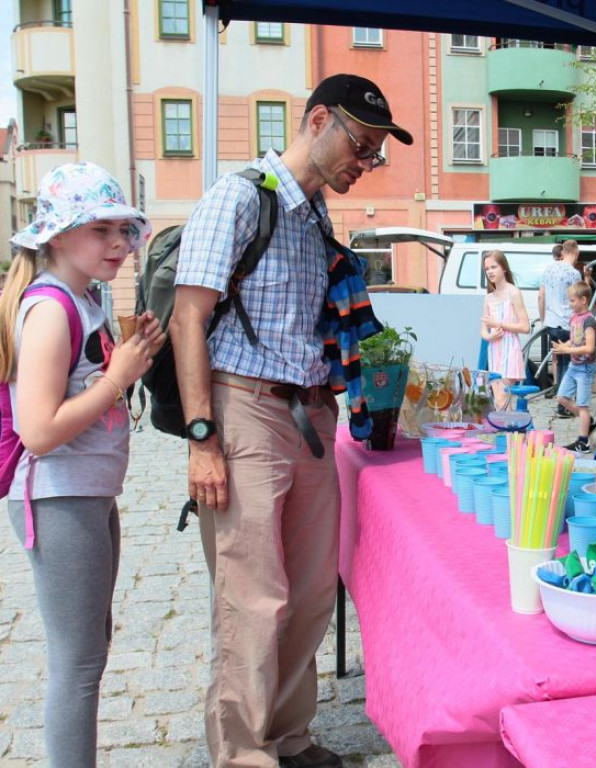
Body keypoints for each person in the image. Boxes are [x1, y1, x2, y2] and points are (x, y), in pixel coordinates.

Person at [169, 73, 412, 768]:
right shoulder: (240, 197)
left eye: (371, 154)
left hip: (310, 415)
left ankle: (289, 737)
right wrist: (202, 439)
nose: (362, 163)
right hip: (242, 407)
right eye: (359, 146)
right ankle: (244, 753)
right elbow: (190, 317)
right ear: (315, 122)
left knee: (308, 594)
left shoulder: (312, 214)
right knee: (253, 598)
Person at [1, 162, 164, 766]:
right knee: (79, 661)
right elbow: (38, 430)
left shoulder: (83, 299)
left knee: (89, 649)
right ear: (59, 235)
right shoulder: (50, 309)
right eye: (103, 231)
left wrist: (127, 361)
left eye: (124, 230)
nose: (120, 244)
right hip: (58, 495)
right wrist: (119, 376)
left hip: (85, 494)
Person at [554, 280, 596, 453]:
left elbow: (589, 347)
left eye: (572, 301)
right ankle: (590, 422)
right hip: (574, 365)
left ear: (583, 300)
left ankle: (583, 442)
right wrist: (563, 346)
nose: (570, 304)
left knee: (582, 405)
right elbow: (575, 339)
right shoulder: (574, 318)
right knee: (562, 398)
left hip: (586, 368)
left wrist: (568, 349)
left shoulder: (589, 320)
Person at [481, 249, 530, 408]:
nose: (490, 272)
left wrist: (499, 324)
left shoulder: (514, 293)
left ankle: (511, 431)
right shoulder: (488, 298)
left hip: (510, 350)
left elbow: (525, 327)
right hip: (494, 351)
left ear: (504, 268)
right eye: (487, 269)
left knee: (502, 398)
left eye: (493, 267)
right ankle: (510, 432)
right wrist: (491, 336)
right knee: (500, 401)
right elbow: (483, 331)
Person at [538, 239, 582, 412]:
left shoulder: (548, 268)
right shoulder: (574, 274)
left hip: (551, 323)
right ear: (576, 253)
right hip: (567, 323)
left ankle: (562, 402)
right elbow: (578, 302)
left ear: (563, 251)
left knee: (560, 361)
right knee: (569, 363)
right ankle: (563, 404)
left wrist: (544, 320)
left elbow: (541, 296)